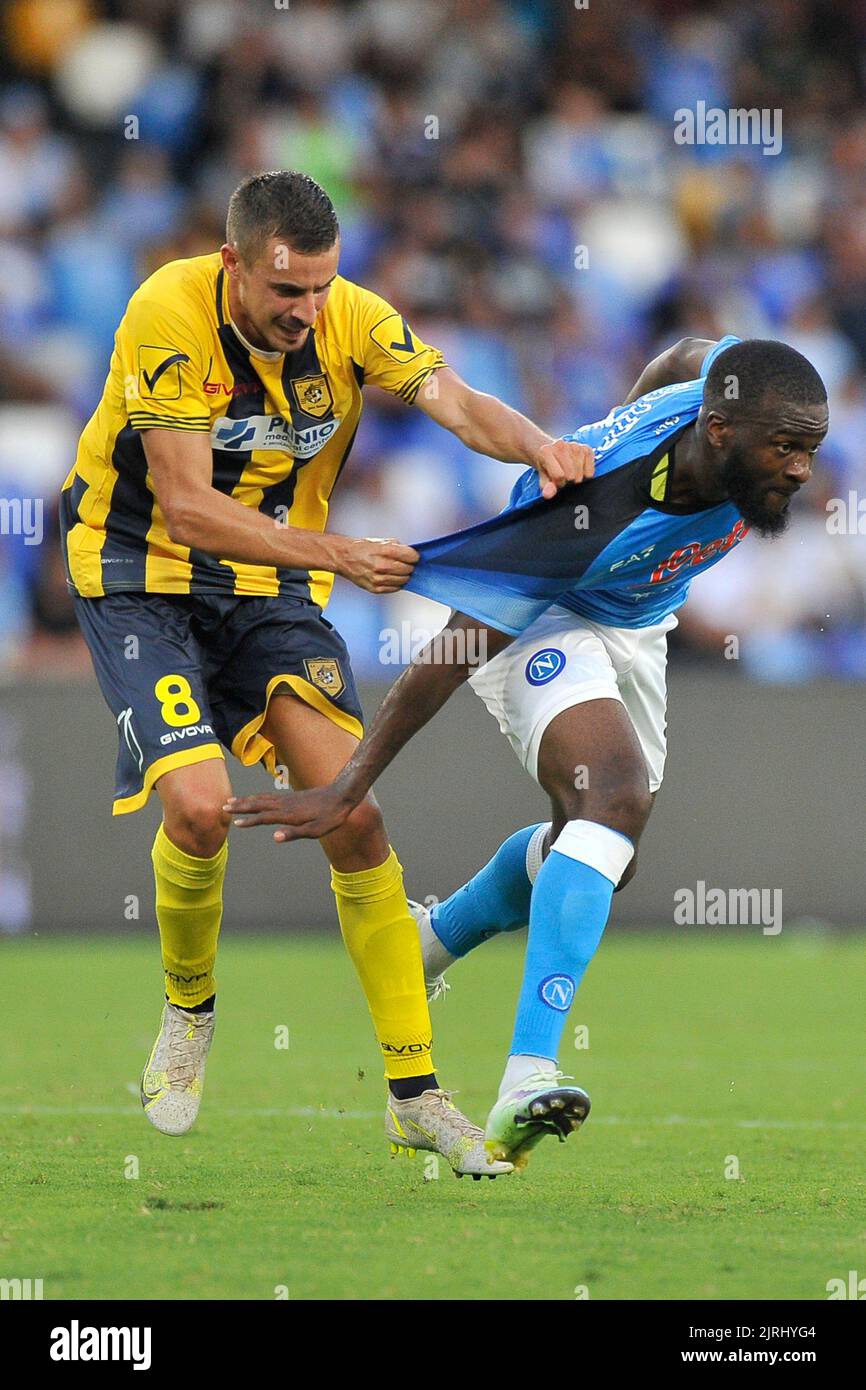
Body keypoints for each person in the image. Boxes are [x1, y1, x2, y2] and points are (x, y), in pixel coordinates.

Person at [60, 168, 595, 1177]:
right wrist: (345, 553)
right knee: (198, 809)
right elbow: (183, 507)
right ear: (232, 267)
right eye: (284, 292)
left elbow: (450, 397)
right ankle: (188, 1010)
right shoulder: (165, 314)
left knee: (354, 812)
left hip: (268, 586)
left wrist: (538, 444)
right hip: (139, 574)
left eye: (319, 289)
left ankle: (414, 1095)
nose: (306, 312)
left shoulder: (348, 317)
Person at [223, 336, 829, 1170]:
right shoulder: (587, 512)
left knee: (602, 855)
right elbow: (456, 645)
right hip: (536, 613)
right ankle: (526, 1073)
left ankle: (429, 939)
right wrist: (349, 786)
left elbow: (686, 352)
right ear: (719, 430)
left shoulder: (724, 386)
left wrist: (618, 413)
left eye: (811, 449)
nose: (801, 470)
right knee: (613, 796)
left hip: (637, 619)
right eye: (787, 448)